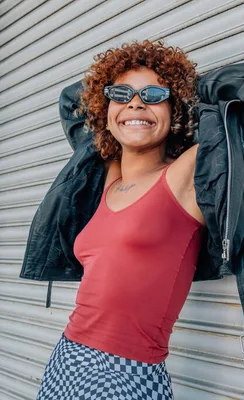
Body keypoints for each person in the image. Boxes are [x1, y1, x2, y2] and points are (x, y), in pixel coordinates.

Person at [32, 40, 203, 399]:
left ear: (176, 111)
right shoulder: (110, 177)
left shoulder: (185, 172)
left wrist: (189, 93)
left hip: (126, 372)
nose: (136, 102)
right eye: (121, 93)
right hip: (67, 357)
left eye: (154, 94)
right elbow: (71, 102)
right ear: (104, 111)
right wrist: (109, 102)